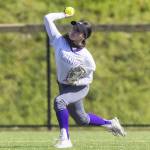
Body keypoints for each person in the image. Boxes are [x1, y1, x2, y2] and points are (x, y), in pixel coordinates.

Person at [44, 8, 126, 149]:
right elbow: (47, 18)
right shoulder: (59, 41)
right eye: (74, 27)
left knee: (59, 101)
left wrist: (76, 81)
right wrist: (64, 14)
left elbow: (89, 77)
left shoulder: (86, 57)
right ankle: (110, 123)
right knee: (82, 119)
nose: (73, 30)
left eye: (78, 30)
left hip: (79, 87)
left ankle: (65, 139)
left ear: (84, 36)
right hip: (64, 85)